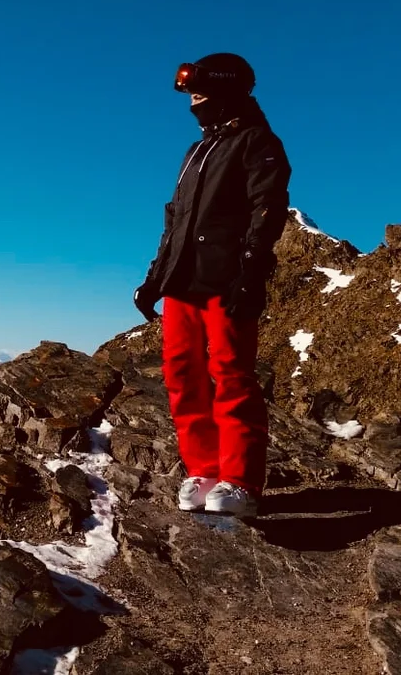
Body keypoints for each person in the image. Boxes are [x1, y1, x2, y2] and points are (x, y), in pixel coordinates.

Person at [133, 53, 291, 518]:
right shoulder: (198, 151)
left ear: (227, 88)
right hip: (183, 282)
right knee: (182, 375)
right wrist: (154, 279)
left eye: (199, 89)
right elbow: (175, 222)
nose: (191, 98)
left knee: (230, 375)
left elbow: (268, 208)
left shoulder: (256, 141)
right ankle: (204, 469)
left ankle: (241, 481)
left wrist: (251, 272)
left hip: (226, 280)